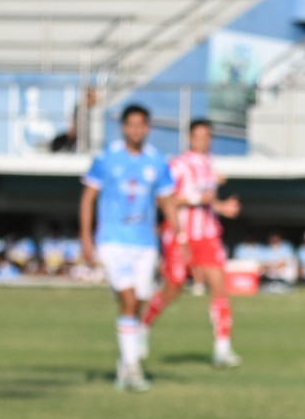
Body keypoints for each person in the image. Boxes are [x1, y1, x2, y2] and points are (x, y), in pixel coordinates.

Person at [80, 103, 177, 391]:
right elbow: (88, 198)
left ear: (148, 128)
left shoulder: (157, 161)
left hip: (145, 243)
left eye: (141, 125)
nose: (136, 130)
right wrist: (86, 238)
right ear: (123, 128)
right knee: (130, 299)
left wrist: (179, 238)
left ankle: (126, 360)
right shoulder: (107, 158)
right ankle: (132, 368)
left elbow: (166, 201)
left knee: (139, 301)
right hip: (113, 240)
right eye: (130, 124)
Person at [143, 117, 244, 367]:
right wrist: (196, 198)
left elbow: (207, 201)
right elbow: (164, 200)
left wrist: (222, 207)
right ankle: (142, 328)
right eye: (198, 136)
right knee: (172, 289)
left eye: (207, 136)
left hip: (208, 234)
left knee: (219, 286)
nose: (203, 141)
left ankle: (222, 348)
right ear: (190, 138)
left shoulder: (210, 165)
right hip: (180, 235)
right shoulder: (178, 165)